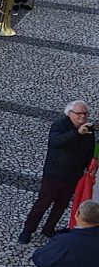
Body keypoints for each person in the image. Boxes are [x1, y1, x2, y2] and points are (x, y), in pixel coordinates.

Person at [19, 101, 96, 243]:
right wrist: (77, 133)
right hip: (54, 175)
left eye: (85, 113)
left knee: (62, 204)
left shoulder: (88, 130)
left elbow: (89, 149)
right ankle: (28, 230)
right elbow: (56, 142)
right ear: (70, 114)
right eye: (80, 113)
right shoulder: (59, 125)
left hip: (73, 175)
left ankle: (49, 228)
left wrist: (86, 168)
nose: (83, 116)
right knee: (43, 203)